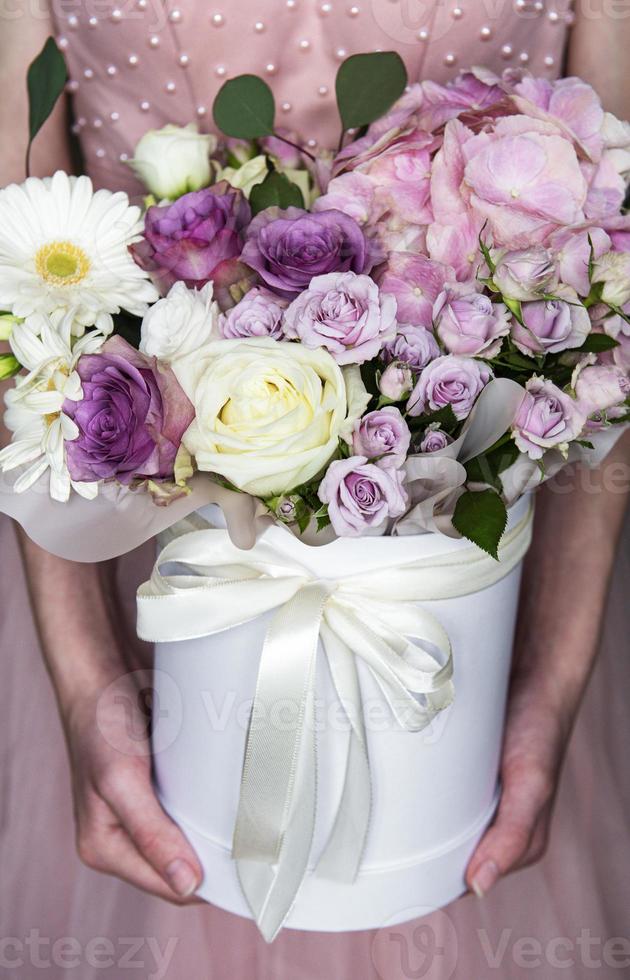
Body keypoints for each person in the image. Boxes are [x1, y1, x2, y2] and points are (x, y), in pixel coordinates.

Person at [0, 1, 628, 976]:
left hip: (467, 608)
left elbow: (608, 273)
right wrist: (86, 680)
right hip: (137, 568)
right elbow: (13, 261)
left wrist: (554, 673)